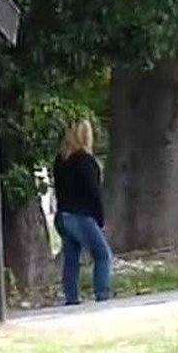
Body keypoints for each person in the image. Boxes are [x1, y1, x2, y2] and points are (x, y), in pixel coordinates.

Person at [51, 119, 112, 304]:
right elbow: (93, 194)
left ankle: (72, 297)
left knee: (71, 257)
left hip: (63, 215)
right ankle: (101, 293)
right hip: (81, 215)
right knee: (102, 255)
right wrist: (100, 219)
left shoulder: (61, 160)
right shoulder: (87, 162)